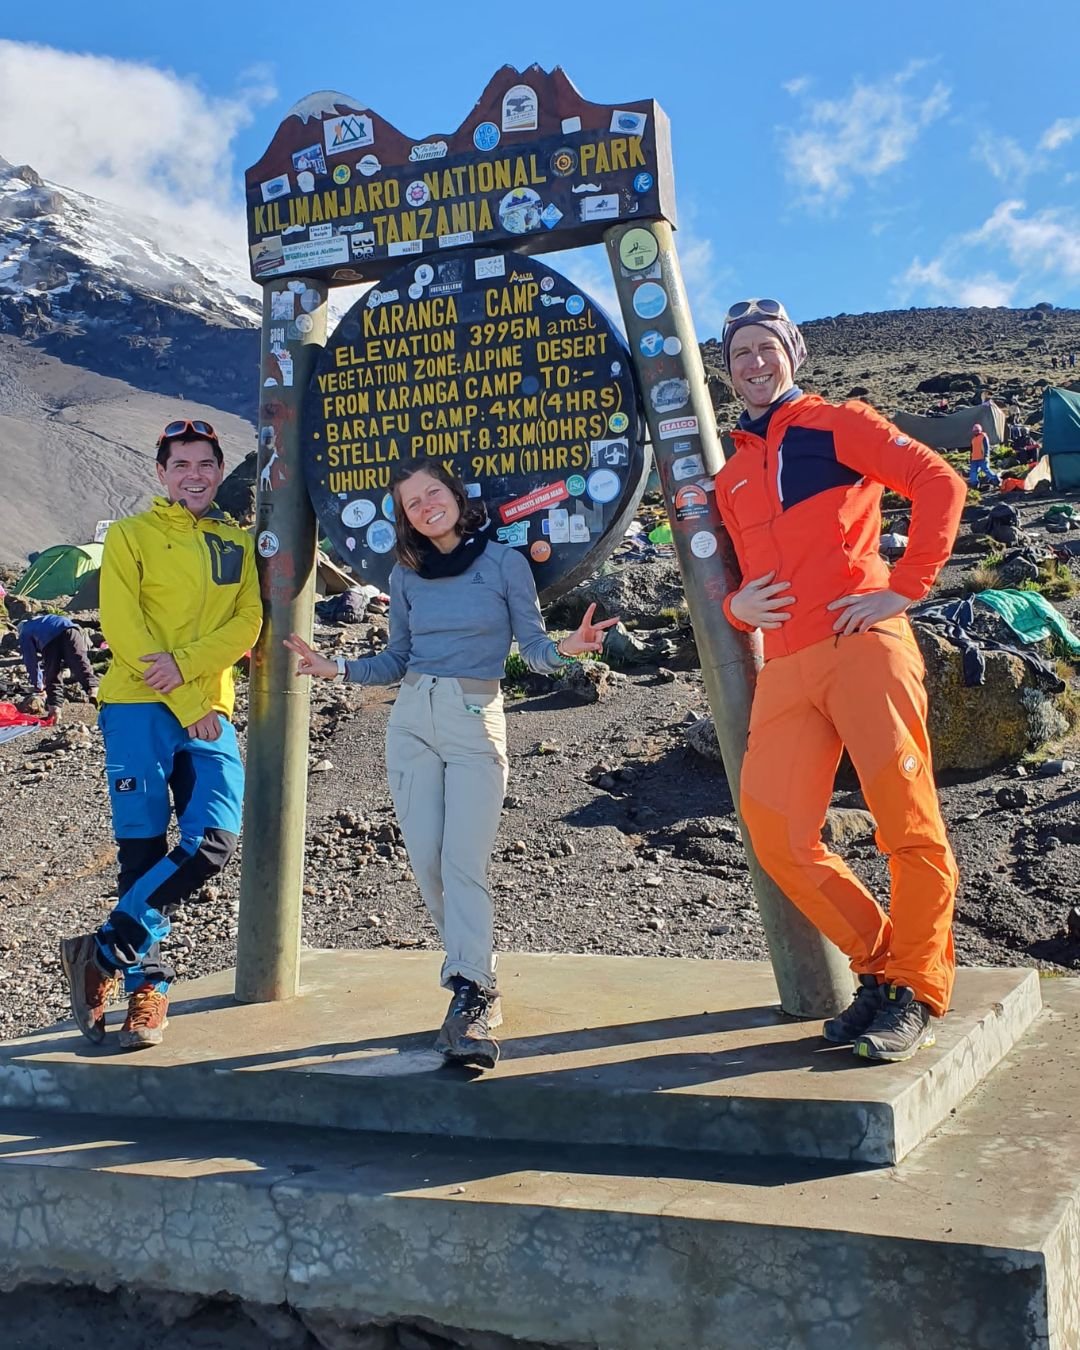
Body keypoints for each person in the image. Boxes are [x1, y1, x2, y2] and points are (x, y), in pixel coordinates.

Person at [284, 463, 617, 1070]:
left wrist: (569, 650)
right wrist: (339, 671)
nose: (424, 507)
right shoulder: (406, 575)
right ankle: (470, 977)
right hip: (411, 716)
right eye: (411, 503)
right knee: (428, 863)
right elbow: (397, 657)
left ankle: (474, 988)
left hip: (473, 715)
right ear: (405, 516)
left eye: (432, 493)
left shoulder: (504, 564)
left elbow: (534, 648)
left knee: (463, 862)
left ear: (456, 498)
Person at [714, 298, 966, 1063]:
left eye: (766, 348)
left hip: (864, 646)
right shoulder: (730, 475)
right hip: (786, 668)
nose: (755, 364)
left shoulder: (838, 424)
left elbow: (939, 482)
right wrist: (735, 604)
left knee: (906, 824)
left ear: (792, 353)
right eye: (740, 355)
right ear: (727, 374)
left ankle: (917, 989)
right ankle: (884, 966)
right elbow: (734, 578)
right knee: (776, 832)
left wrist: (907, 586)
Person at [60, 419, 262, 1050]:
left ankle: (101, 950)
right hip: (137, 707)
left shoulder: (238, 542)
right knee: (143, 853)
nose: (195, 476)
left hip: (208, 712)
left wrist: (196, 688)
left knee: (212, 843)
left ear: (220, 470)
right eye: (181, 465)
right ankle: (147, 989)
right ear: (161, 473)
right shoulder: (129, 536)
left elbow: (248, 622)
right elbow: (122, 625)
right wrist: (183, 693)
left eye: (206, 464)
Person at [17, 614, 98, 718]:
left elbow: (30, 661)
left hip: (50, 638)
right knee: (80, 662)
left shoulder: (24, 632)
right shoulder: (40, 620)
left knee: (53, 672)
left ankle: (55, 710)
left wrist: (38, 685)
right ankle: (93, 689)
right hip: (71, 628)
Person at [968, 421, 1000, 488]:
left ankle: (996, 480)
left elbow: (986, 447)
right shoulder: (973, 439)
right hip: (974, 459)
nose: (976, 432)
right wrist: (970, 458)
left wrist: (986, 456)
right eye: (975, 430)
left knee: (986, 469)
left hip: (982, 458)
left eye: (977, 430)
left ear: (980, 430)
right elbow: (972, 450)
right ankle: (974, 484)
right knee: (973, 472)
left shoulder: (983, 436)